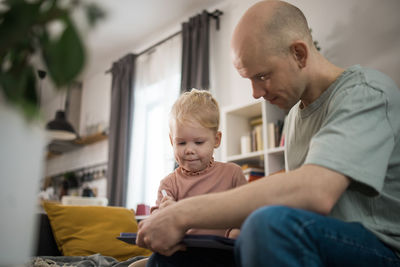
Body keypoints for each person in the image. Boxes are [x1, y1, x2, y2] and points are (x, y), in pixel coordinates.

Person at [137, 1, 400, 266]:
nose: (255, 92)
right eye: (249, 79)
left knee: (267, 225)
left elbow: (315, 191)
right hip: (319, 240)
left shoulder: (366, 92)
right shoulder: (296, 115)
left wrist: (183, 213)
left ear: (299, 54)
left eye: (262, 76)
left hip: (383, 249)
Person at [135, 88, 247, 267]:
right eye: (181, 143)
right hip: (182, 254)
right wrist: (165, 215)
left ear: (216, 140)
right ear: (172, 141)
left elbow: (246, 214)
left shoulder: (232, 174)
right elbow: (156, 229)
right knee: (153, 262)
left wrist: (236, 232)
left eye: (198, 142)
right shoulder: (168, 184)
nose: (189, 149)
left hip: (223, 255)